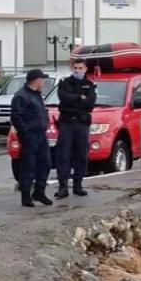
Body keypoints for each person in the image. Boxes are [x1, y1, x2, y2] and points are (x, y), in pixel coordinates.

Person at [10, 69, 54, 208]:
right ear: (36, 80)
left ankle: (39, 191)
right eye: (42, 79)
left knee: (45, 163)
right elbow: (16, 117)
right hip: (30, 136)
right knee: (28, 165)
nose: (44, 82)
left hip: (41, 135)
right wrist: (26, 133)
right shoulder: (21, 96)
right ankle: (26, 196)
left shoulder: (37, 95)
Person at [54, 59, 96, 199]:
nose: (77, 70)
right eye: (75, 68)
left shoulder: (89, 84)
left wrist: (74, 100)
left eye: (80, 68)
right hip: (66, 123)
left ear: (85, 68)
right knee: (63, 155)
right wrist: (79, 97)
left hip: (82, 124)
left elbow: (90, 103)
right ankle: (63, 187)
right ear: (72, 68)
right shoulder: (65, 83)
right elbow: (63, 99)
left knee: (81, 154)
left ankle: (78, 185)